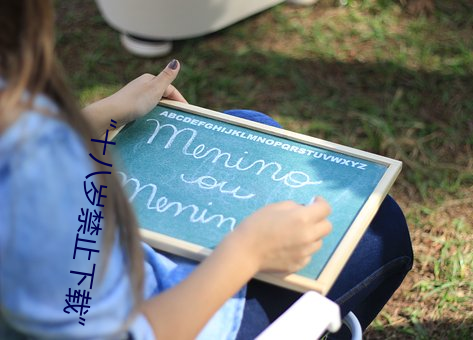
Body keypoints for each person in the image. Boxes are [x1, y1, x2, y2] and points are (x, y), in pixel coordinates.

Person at [0, 2, 413, 339]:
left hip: (108, 253)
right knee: (381, 226)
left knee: (246, 124)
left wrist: (98, 118)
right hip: (166, 310)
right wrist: (246, 252)